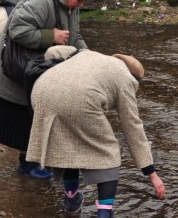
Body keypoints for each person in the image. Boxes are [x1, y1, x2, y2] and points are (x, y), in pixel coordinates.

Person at [26, 49, 165, 217]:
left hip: (41, 90)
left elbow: (53, 51)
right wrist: (150, 172)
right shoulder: (126, 78)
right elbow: (132, 126)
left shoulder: (89, 54)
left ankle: (71, 201)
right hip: (80, 99)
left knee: (66, 142)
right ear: (135, 77)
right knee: (109, 153)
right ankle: (104, 214)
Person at [0, 0, 95, 180]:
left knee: (36, 112)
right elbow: (17, 29)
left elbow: (74, 36)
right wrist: (50, 36)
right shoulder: (42, 0)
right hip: (16, 71)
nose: (81, 6)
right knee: (24, 116)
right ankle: (27, 164)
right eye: (79, 0)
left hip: (31, 70)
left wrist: (88, 56)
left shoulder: (68, 6)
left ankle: (35, 159)